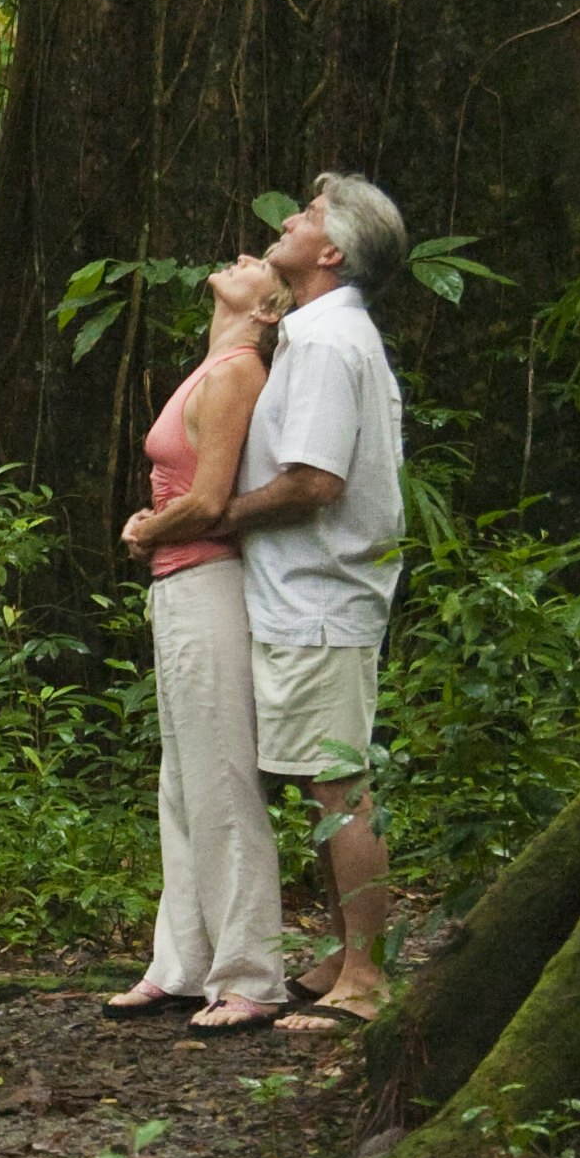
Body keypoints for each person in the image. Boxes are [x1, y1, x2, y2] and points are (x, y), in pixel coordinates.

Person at [216, 175, 410, 1034]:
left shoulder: (329, 343)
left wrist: (220, 515)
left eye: (310, 214)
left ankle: (365, 977)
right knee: (318, 778)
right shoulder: (317, 333)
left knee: (338, 784)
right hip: (307, 594)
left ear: (332, 252)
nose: (290, 219)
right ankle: (343, 954)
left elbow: (315, 481)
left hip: (322, 594)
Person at [106, 256, 290, 1029]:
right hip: (179, 584)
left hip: (210, 582)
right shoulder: (212, 366)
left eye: (259, 265)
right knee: (182, 783)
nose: (243, 258)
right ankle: (181, 962)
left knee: (221, 777)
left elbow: (211, 500)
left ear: (268, 308)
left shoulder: (239, 370)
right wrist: (151, 530)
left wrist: (151, 529)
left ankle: (251, 974)